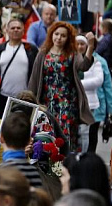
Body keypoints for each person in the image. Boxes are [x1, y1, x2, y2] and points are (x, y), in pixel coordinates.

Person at [27, 22, 96, 153]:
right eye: (56, 34)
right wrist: (30, 101)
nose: (58, 38)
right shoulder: (43, 53)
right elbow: (34, 79)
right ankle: (47, 166)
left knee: (66, 136)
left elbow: (84, 66)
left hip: (67, 104)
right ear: (51, 35)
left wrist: (91, 46)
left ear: (68, 38)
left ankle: (67, 165)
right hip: (46, 103)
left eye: (63, 35)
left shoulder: (73, 53)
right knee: (46, 134)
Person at [0, 18, 39, 108]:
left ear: (23, 31)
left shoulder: (31, 49)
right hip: (3, 96)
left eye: (18, 28)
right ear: (7, 31)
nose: (16, 30)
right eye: (13, 28)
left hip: (25, 97)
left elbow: (37, 71)